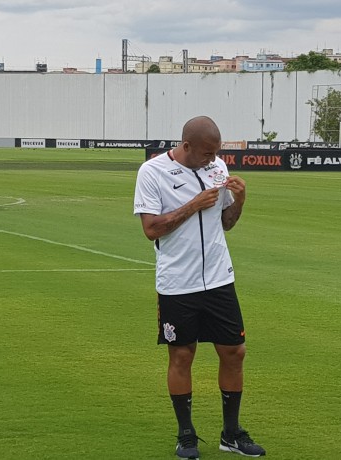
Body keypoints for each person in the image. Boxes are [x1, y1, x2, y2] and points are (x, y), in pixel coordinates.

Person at [133, 116, 266, 459]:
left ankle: (232, 433)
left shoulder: (217, 167)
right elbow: (151, 229)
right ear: (186, 146)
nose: (214, 159)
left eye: (217, 153)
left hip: (220, 279)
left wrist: (240, 200)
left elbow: (226, 223)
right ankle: (187, 435)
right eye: (207, 153)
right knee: (181, 354)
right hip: (178, 282)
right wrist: (193, 205)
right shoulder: (152, 172)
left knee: (235, 352)